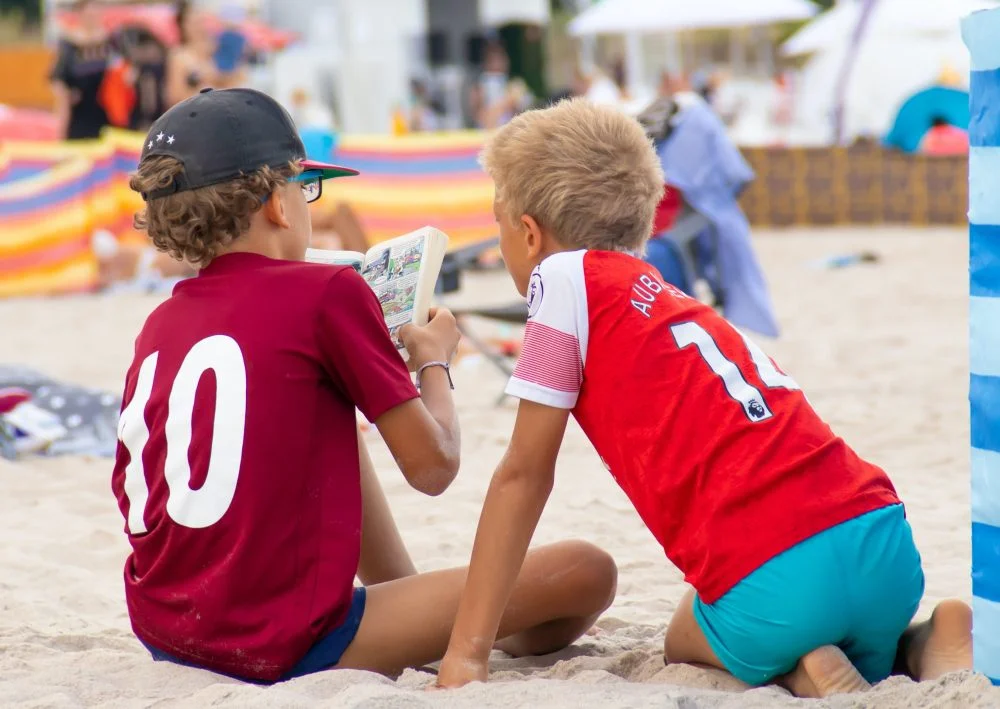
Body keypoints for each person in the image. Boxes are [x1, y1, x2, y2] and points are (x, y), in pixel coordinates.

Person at [435, 98, 974, 697]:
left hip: (780, 582)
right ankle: (925, 640)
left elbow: (523, 474)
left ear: (529, 233)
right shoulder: (664, 297)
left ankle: (801, 665)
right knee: (863, 643)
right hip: (882, 543)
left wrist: (466, 654)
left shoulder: (561, 281)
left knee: (685, 634)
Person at [111, 87, 616, 683]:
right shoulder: (326, 292)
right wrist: (433, 362)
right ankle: (433, 627)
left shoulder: (161, 321)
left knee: (330, 422)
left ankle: (406, 603)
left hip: (168, 628)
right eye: (308, 188)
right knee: (589, 572)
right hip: (277, 638)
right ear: (277, 203)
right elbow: (434, 469)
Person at [50, 0, 114, 140]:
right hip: (79, 115)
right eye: (88, 10)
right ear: (79, 12)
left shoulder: (111, 41)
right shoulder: (69, 44)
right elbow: (58, 81)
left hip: (109, 113)